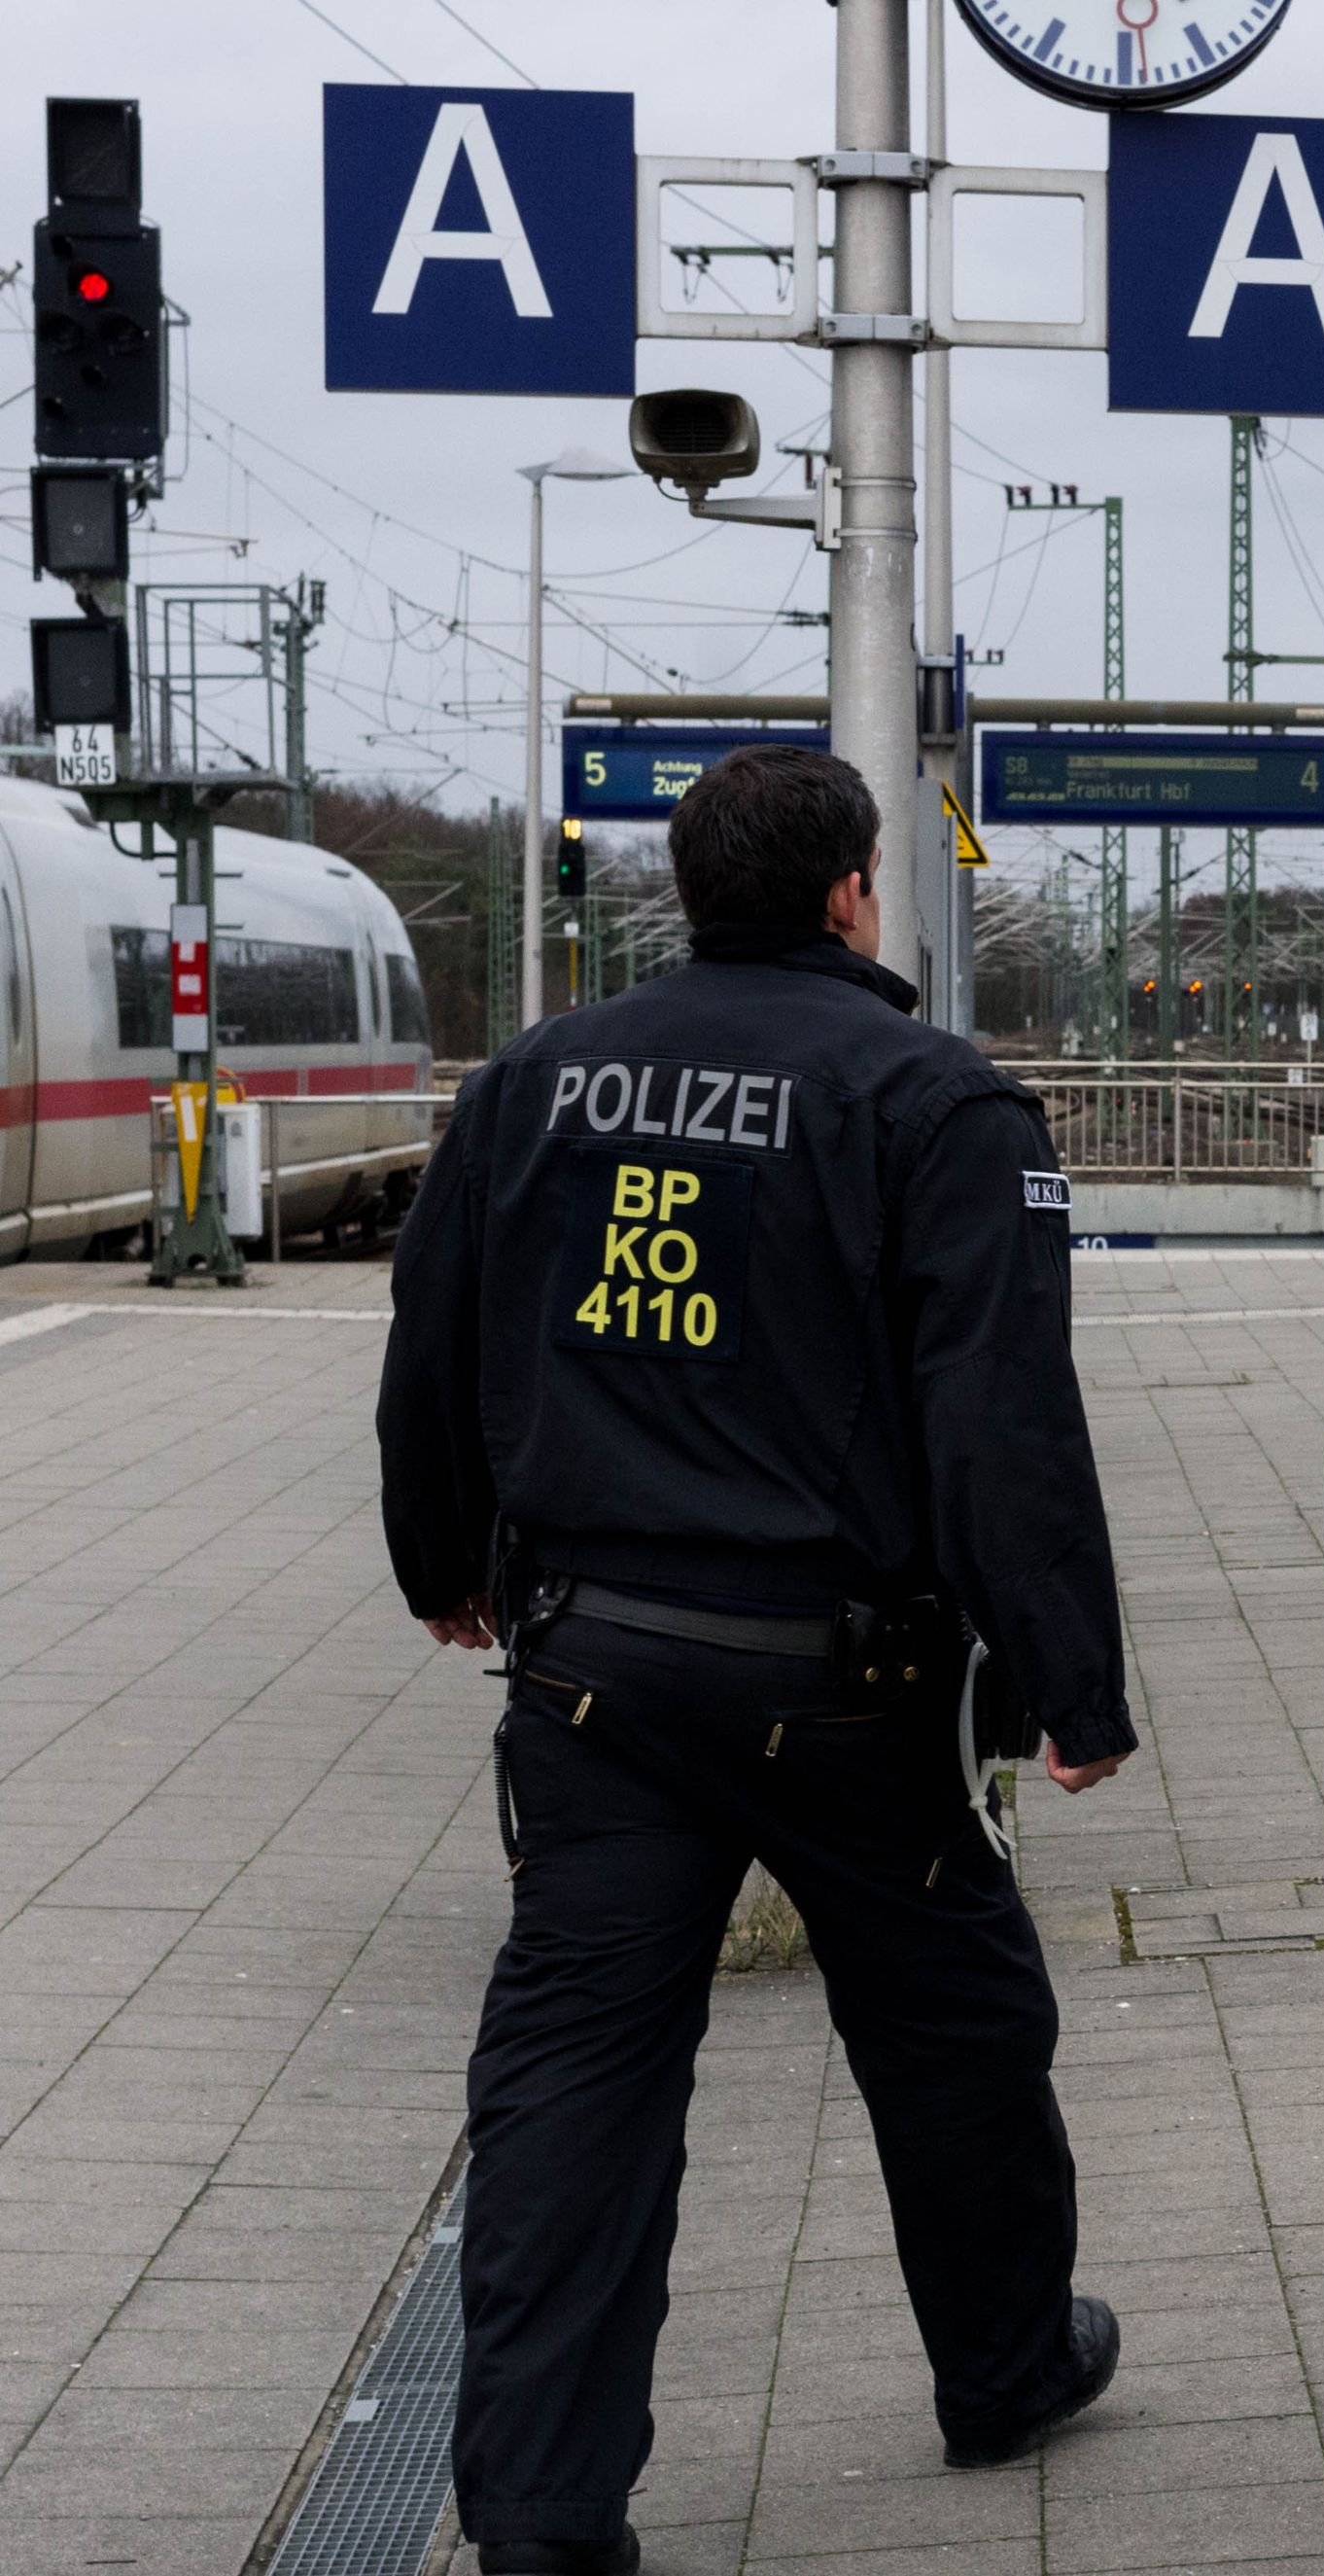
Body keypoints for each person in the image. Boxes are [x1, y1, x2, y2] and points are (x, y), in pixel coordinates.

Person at [377, 745, 1137, 2575]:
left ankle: (543, 2512)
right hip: (849, 1689)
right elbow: (1001, 1421)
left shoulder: (532, 1080)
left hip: (591, 1673)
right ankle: (1005, 2367)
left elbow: (434, 1332)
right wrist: (1073, 1681)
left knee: (572, 2076)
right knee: (958, 2033)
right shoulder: (935, 1099)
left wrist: (440, 1558)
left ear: (688, 887)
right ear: (853, 892)